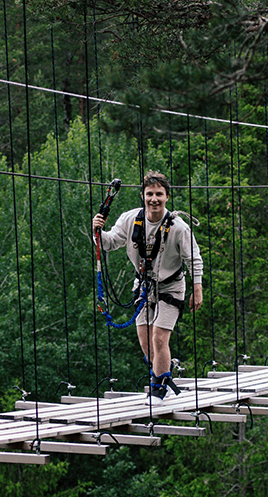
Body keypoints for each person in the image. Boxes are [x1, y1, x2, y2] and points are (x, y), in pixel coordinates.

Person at [92, 171, 203, 406]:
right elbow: (110, 243)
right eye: (150, 194)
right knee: (145, 343)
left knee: (159, 339)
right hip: (143, 287)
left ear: (167, 197)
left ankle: (159, 388)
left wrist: (197, 287)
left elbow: (194, 258)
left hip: (171, 287)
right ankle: (165, 372)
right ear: (143, 196)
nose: (154, 199)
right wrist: (98, 232)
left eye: (159, 194)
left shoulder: (178, 227)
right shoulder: (130, 219)